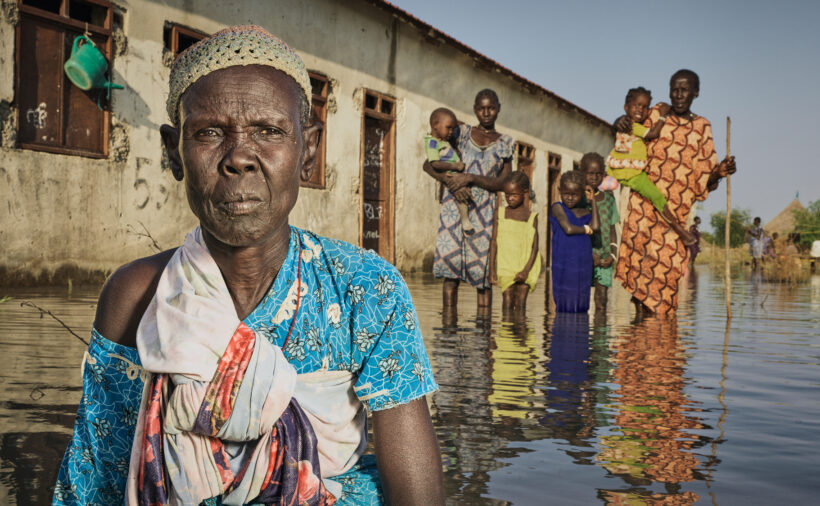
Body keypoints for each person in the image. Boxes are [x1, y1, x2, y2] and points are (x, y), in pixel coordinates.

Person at [53, 26, 443, 506]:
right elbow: (96, 485)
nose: (239, 156)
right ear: (173, 152)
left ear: (309, 151)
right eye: (209, 133)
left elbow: (419, 498)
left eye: (270, 131)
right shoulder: (136, 296)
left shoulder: (367, 289)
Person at [614, 69, 737, 315]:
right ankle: (638, 347)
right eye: (674, 89)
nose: (678, 95)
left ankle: (659, 348)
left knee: (664, 285)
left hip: (675, 217)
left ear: (696, 93)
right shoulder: (658, 112)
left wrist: (720, 172)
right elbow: (632, 126)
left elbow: (705, 176)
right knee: (639, 284)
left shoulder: (702, 127)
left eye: (684, 90)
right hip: (644, 209)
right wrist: (619, 122)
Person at [425, 89, 514, 311]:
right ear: (475, 109)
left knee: (482, 279)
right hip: (453, 207)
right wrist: (452, 184)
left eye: (491, 108)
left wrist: (471, 177)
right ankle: (447, 337)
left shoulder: (505, 143)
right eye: (481, 108)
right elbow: (429, 164)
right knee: (450, 276)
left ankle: (483, 340)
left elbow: (504, 183)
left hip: (484, 212)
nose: (486, 113)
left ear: (498, 108)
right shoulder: (460, 133)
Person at [607, 88, 695, 245]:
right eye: (636, 105)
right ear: (626, 107)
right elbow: (653, 133)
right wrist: (662, 115)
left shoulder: (626, 124)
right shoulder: (632, 125)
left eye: (645, 107)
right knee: (657, 198)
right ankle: (679, 229)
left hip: (616, 171)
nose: (640, 110)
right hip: (634, 175)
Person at [490, 168, 541, 313]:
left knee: (520, 304)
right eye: (507, 195)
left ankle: (520, 334)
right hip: (506, 265)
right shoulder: (500, 213)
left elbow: (535, 247)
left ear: (525, 192)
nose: (510, 198)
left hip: (527, 264)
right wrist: (492, 270)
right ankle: (506, 334)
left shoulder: (531, 216)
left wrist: (526, 270)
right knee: (507, 301)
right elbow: (494, 242)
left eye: (514, 195)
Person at [550, 170, 600, 313]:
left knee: (580, 304)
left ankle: (579, 333)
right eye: (566, 194)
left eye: (575, 194)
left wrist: (593, 201)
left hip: (582, 262)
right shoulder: (557, 207)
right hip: (564, 263)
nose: (570, 198)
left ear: (582, 194)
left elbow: (596, 227)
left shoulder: (586, 213)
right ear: (560, 191)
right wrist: (586, 229)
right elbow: (568, 229)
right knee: (564, 303)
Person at [424, 108, 474, 235]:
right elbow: (432, 163)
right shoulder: (432, 143)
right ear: (436, 125)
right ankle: (466, 221)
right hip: (451, 175)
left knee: (465, 196)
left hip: (456, 174)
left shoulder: (443, 140)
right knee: (462, 197)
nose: (451, 132)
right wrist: (454, 167)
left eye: (453, 129)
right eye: (449, 128)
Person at [580, 153, 619, 313]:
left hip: (604, 257)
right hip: (584, 256)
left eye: (599, 174)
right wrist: (589, 254)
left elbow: (612, 229)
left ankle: (600, 336)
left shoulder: (609, 200)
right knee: (581, 298)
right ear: (582, 173)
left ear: (604, 174)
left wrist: (613, 255)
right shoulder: (578, 199)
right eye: (590, 173)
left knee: (602, 301)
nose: (595, 177)